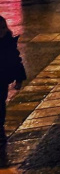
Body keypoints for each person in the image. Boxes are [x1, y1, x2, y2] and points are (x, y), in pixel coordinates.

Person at [0, 15, 26, 144]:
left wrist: (19, 79)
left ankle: (0, 126)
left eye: (3, 27)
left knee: (0, 103)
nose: (1, 31)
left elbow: (16, 61)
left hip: (2, 80)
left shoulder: (8, 44)